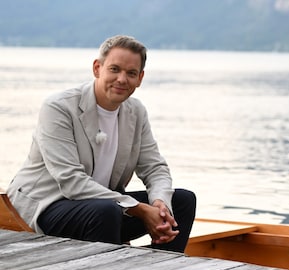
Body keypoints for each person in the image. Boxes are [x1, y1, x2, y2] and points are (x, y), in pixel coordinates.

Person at [7, 35, 196, 253]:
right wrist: (139, 209)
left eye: (131, 73)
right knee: (106, 210)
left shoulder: (136, 112)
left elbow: (155, 168)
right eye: (115, 69)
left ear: (140, 78)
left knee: (182, 201)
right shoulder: (59, 107)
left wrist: (160, 204)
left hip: (104, 208)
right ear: (97, 68)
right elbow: (71, 181)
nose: (122, 79)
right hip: (46, 206)